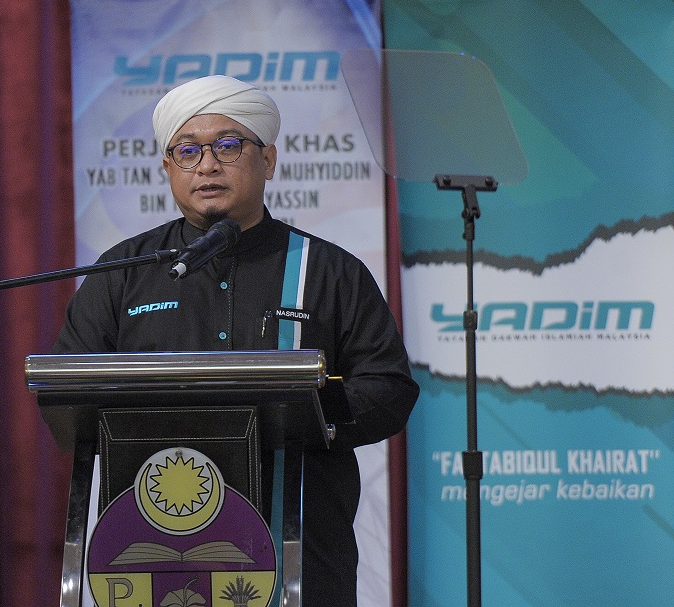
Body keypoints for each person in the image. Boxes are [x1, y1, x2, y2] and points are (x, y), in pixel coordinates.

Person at [54, 75, 419, 606]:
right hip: (155, 550)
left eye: (228, 145)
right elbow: (70, 387)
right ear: (167, 168)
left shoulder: (327, 271)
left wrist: (311, 409)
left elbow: (389, 389)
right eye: (188, 150)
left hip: (298, 545)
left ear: (268, 160)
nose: (207, 165)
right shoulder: (124, 272)